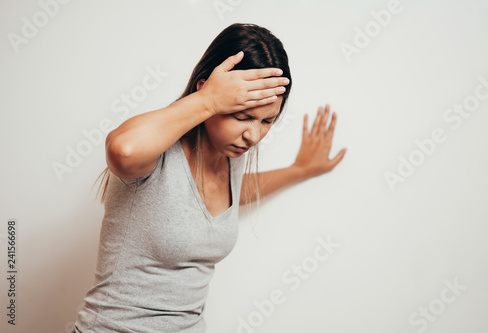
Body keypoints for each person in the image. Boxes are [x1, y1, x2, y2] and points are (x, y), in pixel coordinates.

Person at [71, 23, 346, 333]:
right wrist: (208, 102)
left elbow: (228, 195)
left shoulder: (230, 155)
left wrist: (300, 169)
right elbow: (122, 150)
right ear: (208, 89)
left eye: (267, 120)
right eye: (242, 115)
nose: (252, 134)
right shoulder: (156, 153)